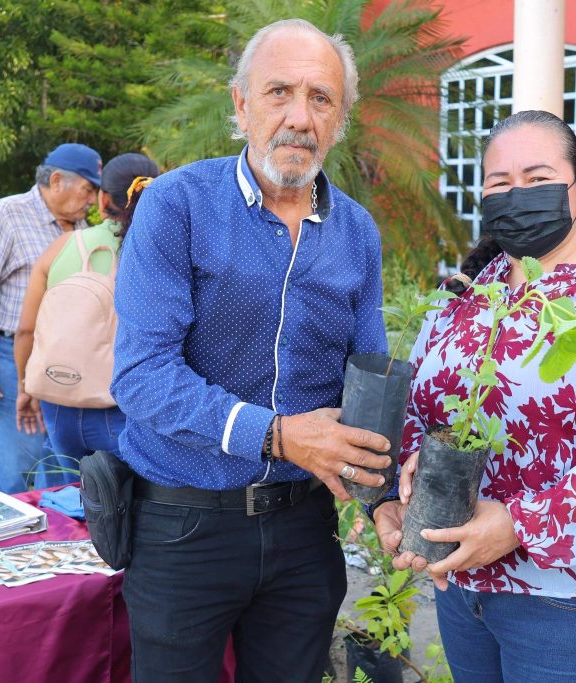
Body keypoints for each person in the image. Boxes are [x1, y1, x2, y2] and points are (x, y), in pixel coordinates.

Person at [110, 19, 392, 682]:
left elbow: (368, 381)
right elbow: (142, 375)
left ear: (340, 119)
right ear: (240, 104)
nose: (299, 117)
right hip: (184, 526)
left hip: (303, 534)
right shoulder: (176, 205)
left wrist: (384, 498)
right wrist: (277, 435)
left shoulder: (357, 232)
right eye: (279, 92)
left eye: (320, 98)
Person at [373, 110, 576, 682]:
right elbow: (419, 408)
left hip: (574, 605)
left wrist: (521, 525)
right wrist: (407, 478)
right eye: (499, 183)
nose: (517, 195)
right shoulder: (465, 292)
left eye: (538, 178)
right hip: (464, 590)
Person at [0, 143, 102, 494]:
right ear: (56, 180)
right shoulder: (5, 215)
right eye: (88, 189)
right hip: (10, 357)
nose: (93, 201)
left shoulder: (81, 228)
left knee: (61, 468)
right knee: (13, 472)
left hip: (68, 362)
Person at [12, 153, 160, 485]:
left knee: (68, 496)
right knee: (130, 502)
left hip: (58, 401)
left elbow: (26, 331)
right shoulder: (161, 247)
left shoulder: (63, 247)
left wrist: (25, 387)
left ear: (103, 199)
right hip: (125, 403)